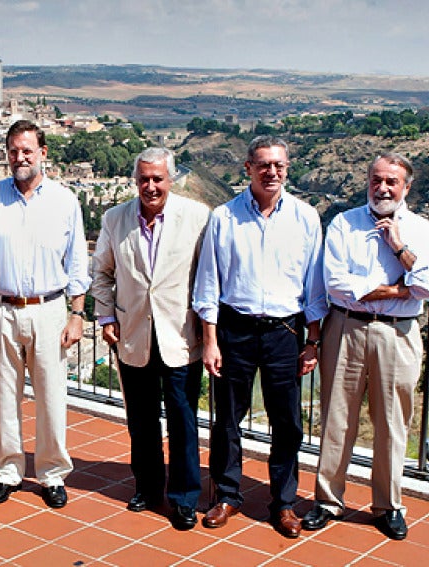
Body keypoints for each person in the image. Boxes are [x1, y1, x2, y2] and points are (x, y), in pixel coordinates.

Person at [302, 153, 429, 540]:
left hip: (398, 334)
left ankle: (387, 505)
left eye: (391, 181)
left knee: (392, 423)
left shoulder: (422, 229)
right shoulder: (343, 224)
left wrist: (399, 248)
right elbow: (336, 284)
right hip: (345, 329)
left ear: (406, 187)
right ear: (368, 180)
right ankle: (327, 500)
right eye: (376, 179)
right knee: (336, 419)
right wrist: (401, 289)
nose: (382, 187)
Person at [192, 135, 328, 538]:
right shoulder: (224, 217)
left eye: (279, 165)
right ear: (248, 168)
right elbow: (208, 284)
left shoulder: (306, 218)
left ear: (288, 169)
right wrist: (211, 339)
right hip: (235, 328)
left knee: (287, 423)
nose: (272, 172)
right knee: (227, 420)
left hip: (285, 332)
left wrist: (313, 341)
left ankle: (284, 503)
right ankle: (228, 496)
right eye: (263, 164)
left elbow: (314, 289)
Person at [0, 119, 91, 510]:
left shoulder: (65, 201)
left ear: (43, 154)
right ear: (7, 154)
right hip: (0, 309)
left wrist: (76, 314)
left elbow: (77, 265)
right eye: (14, 151)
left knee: (52, 395)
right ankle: (8, 470)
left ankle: (52, 473)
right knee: (3, 395)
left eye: (27, 150)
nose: (20, 158)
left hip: (49, 309)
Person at [91, 147, 210, 530]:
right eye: (143, 179)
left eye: (157, 178)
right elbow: (103, 273)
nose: (150, 186)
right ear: (135, 181)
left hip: (180, 335)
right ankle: (146, 486)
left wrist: (209, 332)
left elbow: (208, 280)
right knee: (140, 421)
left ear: (170, 180)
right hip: (132, 334)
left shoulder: (197, 217)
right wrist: (106, 315)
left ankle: (185, 498)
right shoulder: (115, 218)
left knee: (182, 420)